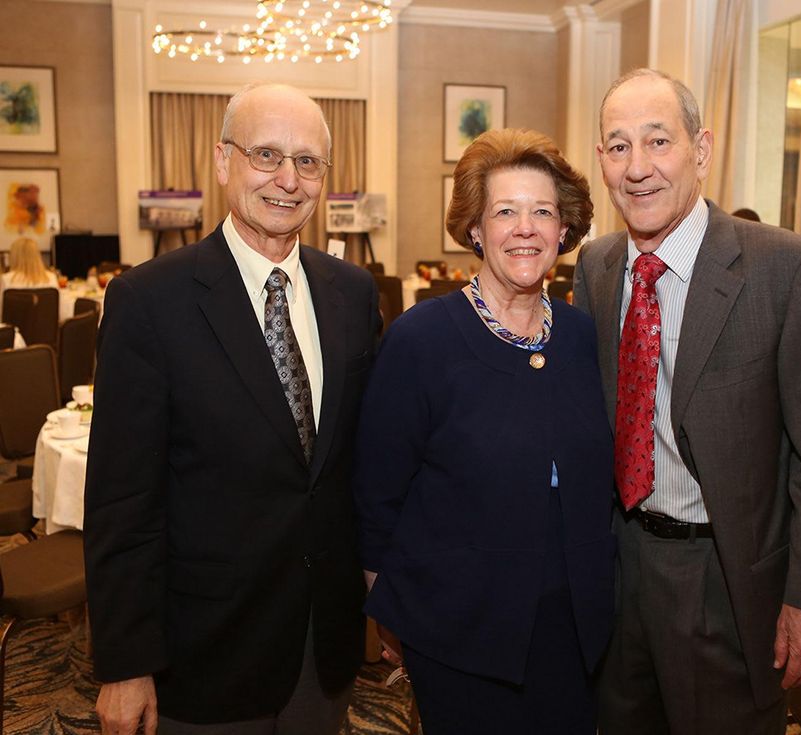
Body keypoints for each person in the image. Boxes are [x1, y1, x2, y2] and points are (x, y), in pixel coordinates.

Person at [84, 83, 380, 735]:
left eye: (307, 161)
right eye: (266, 154)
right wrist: (125, 661)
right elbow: (121, 501)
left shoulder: (352, 294)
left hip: (319, 646)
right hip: (202, 652)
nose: (287, 178)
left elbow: (358, 466)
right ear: (223, 162)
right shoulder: (148, 301)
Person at [573, 68, 801, 734]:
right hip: (621, 566)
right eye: (618, 147)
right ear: (602, 163)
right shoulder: (597, 266)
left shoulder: (790, 270)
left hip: (726, 580)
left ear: (701, 150)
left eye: (658, 142)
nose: (637, 167)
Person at [354, 129, 615, 735]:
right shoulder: (422, 339)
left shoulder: (583, 337)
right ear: (475, 228)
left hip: (575, 626)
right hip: (459, 632)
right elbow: (376, 494)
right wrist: (390, 610)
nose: (525, 228)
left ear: (564, 231)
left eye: (542, 212)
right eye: (505, 211)